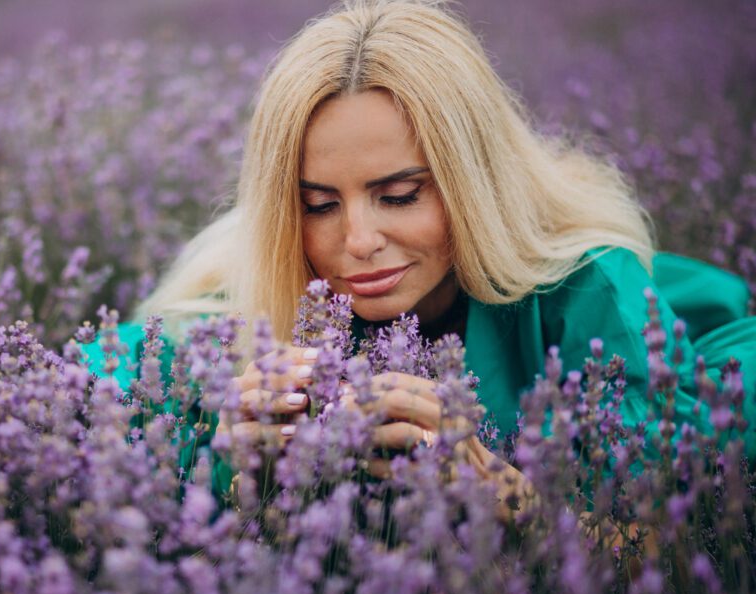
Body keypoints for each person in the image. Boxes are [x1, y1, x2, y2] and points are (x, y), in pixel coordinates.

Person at [81, 0, 755, 512]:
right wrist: (231, 472)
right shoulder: (259, 290)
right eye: (318, 204)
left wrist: (507, 501)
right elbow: (93, 413)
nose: (358, 241)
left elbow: (650, 545)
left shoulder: (586, 293)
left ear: (471, 183)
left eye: (399, 195)